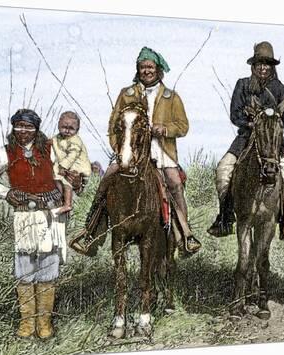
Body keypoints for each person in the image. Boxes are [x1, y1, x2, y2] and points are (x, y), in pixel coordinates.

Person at [70, 46, 201, 256]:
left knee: (174, 183)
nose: (146, 71)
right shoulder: (127, 94)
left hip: (160, 150)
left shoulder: (171, 97)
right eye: (142, 67)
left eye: (150, 67)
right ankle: (91, 233)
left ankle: (184, 236)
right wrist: (119, 147)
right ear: (137, 70)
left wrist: (165, 129)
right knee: (108, 179)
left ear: (158, 70)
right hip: (129, 148)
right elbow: (114, 123)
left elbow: (183, 126)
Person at [0, 108, 67, 339]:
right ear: (13, 127)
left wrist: (67, 187)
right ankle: (27, 323)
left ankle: (44, 324)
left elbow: (63, 174)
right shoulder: (6, 152)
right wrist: (5, 193)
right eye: (18, 126)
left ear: (36, 129)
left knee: (48, 266)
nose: (23, 131)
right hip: (23, 215)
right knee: (25, 267)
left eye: (28, 127)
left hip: (49, 215)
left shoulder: (50, 149)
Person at [207, 41, 284, 237]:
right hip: (245, 139)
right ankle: (225, 216)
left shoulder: (281, 89)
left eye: (267, 64)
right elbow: (234, 114)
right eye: (259, 64)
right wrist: (251, 123)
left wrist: (273, 123)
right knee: (223, 170)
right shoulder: (243, 85)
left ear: (272, 66)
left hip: (272, 143)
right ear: (253, 66)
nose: (263, 68)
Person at [51, 111, 92, 215]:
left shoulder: (75, 140)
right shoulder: (57, 138)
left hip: (77, 165)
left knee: (67, 181)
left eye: (71, 129)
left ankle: (67, 204)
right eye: (64, 127)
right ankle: (61, 198)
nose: (67, 131)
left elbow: (72, 155)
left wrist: (63, 166)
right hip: (65, 164)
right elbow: (52, 141)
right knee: (57, 178)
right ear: (58, 125)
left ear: (77, 130)